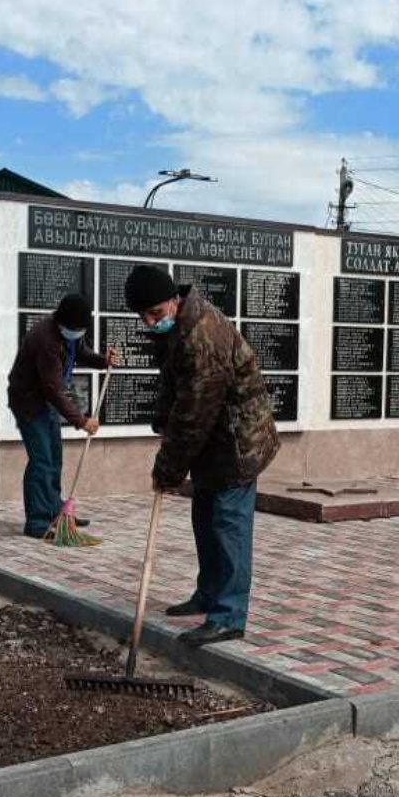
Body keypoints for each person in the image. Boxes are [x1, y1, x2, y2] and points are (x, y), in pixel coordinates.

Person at [124, 265, 279, 647]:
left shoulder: (202, 336)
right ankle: (208, 594)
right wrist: (163, 419)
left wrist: (168, 469)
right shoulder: (178, 327)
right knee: (205, 519)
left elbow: (195, 413)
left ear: (173, 300)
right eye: (143, 316)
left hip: (238, 443)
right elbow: (173, 383)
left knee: (228, 525)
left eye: (154, 313)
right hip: (212, 442)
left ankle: (228, 615)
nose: (150, 322)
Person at [6, 293, 118, 538]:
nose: (78, 333)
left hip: (47, 402)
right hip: (29, 403)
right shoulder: (45, 339)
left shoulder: (71, 332)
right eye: (74, 329)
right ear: (61, 322)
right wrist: (82, 421)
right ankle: (37, 521)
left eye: (81, 329)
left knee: (54, 458)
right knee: (42, 460)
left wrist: (103, 361)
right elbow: (53, 390)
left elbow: (81, 352)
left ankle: (57, 513)